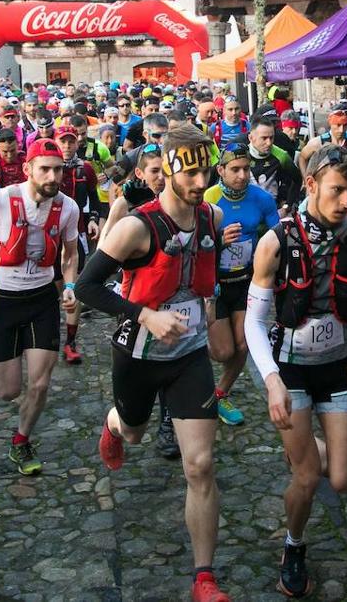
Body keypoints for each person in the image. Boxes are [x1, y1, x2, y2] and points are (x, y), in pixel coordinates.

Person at [74, 125, 232, 602]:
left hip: (188, 357)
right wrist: (144, 313)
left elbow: (206, 271)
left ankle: (204, 577)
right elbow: (86, 288)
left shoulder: (213, 217)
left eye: (207, 169)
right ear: (167, 169)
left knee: (200, 465)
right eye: (192, 171)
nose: (200, 180)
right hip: (139, 353)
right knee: (136, 432)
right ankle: (115, 424)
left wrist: (209, 308)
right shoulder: (135, 227)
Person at [244, 144, 347, 597]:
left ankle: (306, 441)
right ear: (310, 185)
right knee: (306, 477)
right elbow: (254, 320)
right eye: (338, 191)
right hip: (290, 370)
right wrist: (270, 382)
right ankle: (294, 544)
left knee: (342, 480)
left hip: (337, 365)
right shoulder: (276, 241)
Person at [0, 137, 80, 474]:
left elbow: (71, 251)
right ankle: (17, 417)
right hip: (6, 302)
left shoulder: (67, 207)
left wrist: (69, 284)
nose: (53, 177)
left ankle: (22, 441)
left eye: (58, 170)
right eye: (45, 170)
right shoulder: (2, 199)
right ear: (28, 170)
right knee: (8, 391)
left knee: (39, 383)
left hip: (42, 301)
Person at [204, 140, 279, 426]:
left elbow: (276, 239)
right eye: (235, 169)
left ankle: (219, 394)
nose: (242, 175)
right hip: (216, 283)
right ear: (220, 170)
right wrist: (219, 242)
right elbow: (196, 247)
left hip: (246, 281)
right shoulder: (209, 198)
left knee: (244, 344)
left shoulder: (261, 199)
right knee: (223, 351)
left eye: (246, 168)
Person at [56, 124, 100, 364]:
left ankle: (70, 342)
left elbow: (94, 197)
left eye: (71, 141)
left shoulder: (85, 168)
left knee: (74, 287)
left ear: (77, 143)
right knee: (55, 286)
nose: (67, 146)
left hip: (77, 231)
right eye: (63, 141)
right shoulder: (48, 166)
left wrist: (93, 219)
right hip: (50, 234)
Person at [247, 117, 302, 212]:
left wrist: (287, 205)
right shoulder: (241, 154)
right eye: (264, 138)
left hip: (271, 212)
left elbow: (297, 179)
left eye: (271, 138)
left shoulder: (282, 156)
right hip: (247, 210)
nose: (269, 143)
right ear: (251, 138)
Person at [297, 108, 347, 173]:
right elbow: (302, 157)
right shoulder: (318, 142)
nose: (341, 130)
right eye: (338, 125)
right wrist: (305, 177)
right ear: (330, 124)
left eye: (345, 125)